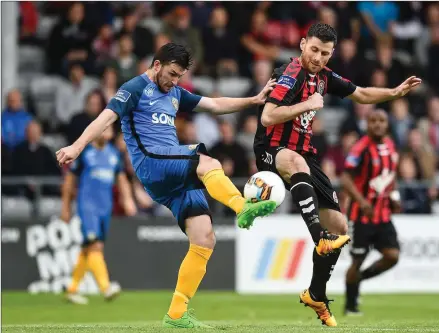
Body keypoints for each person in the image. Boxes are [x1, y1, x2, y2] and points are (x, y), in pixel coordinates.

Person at [56, 42, 278, 328]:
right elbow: (105, 118)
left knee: (204, 237)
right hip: (152, 162)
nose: (174, 81)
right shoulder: (134, 88)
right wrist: (76, 146)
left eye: (179, 77)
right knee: (208, 162)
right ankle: (242, 207)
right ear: (157, 64)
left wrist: (254, 100)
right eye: (172, 74)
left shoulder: (174, 92)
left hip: (170, 177)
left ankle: (176, 313)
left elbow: (213, 104)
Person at [253, 22, 421, 326]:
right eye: (314, 49)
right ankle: (319, 237)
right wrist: (307, 103)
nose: (318, 58)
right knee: (297, 166)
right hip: (272, 148)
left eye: (325, 53)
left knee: (341, 226)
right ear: (303, 44)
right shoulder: (290, 75)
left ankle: (316, 294)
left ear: (331, 55)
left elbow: (362, 94)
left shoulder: (324, 77)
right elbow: (267, 116)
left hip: (305, 154)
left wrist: (395, 92)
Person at [61, 124, 137, 305]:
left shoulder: (113, 154)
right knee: (95, 246)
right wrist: (66, 206)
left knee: (90, 247)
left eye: (109, 129)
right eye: (103, 129)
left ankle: (72, 289)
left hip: (105, 208)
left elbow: (121, 178)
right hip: (88, 207)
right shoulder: (85, 152)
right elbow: (70, 179)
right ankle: (106, 287)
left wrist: (127, 199)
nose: (107, 132)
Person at [341, 109, 401, 315]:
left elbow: (390, 176)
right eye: (373, 120)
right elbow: (345, 178)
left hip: (383, 215)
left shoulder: (391, 146)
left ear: (387, 124)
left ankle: (360, 279)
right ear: (367, 124)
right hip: (361, 216)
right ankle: (350, 306)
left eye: (381, 120)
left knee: (392, 256)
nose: (377, 124)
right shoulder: (360, 148)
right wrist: (362, 201)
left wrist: (394, 197)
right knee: (357, 260)